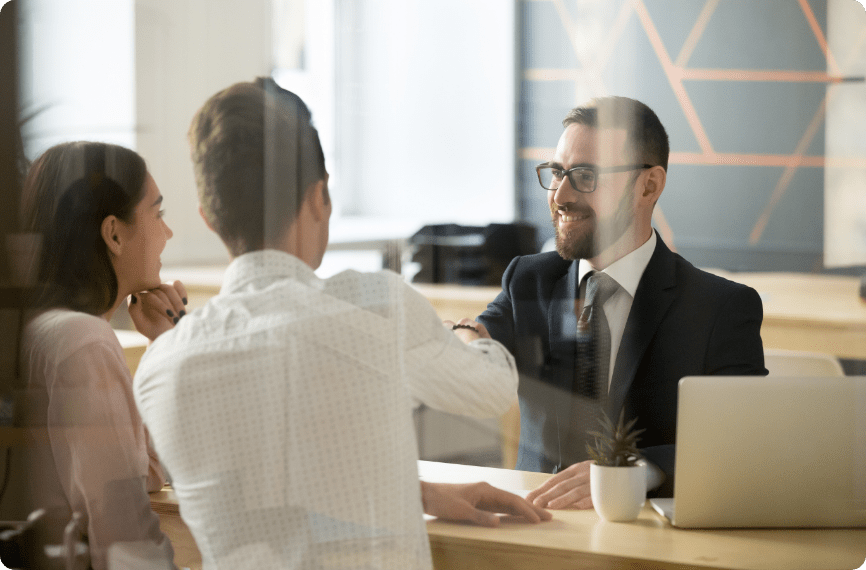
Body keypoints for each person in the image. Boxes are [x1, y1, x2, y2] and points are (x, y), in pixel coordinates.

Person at [132, 78, 549, 570]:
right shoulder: (374, 301)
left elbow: (273, 503)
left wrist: (414, 491)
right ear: (319, 196)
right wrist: (470, 338)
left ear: (208, 217)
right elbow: (492, 391)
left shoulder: (159, 368)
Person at [476, 96, 767, 508]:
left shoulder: (721, 308)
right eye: (557, 172)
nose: (560, 195)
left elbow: (743, 441)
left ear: (648, 185)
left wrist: (635, 470)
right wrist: (464, 338)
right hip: (536, 528)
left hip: (650, 541)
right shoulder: (529, 279)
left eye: (586, 176)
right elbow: (482, 336)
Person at [6, 141, 184, 569]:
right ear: (114, 233)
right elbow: (125, 536)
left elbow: (144, 474)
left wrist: (162, 344)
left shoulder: (39, 328)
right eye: (158, 214)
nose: (168, 232)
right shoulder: (83, 340)